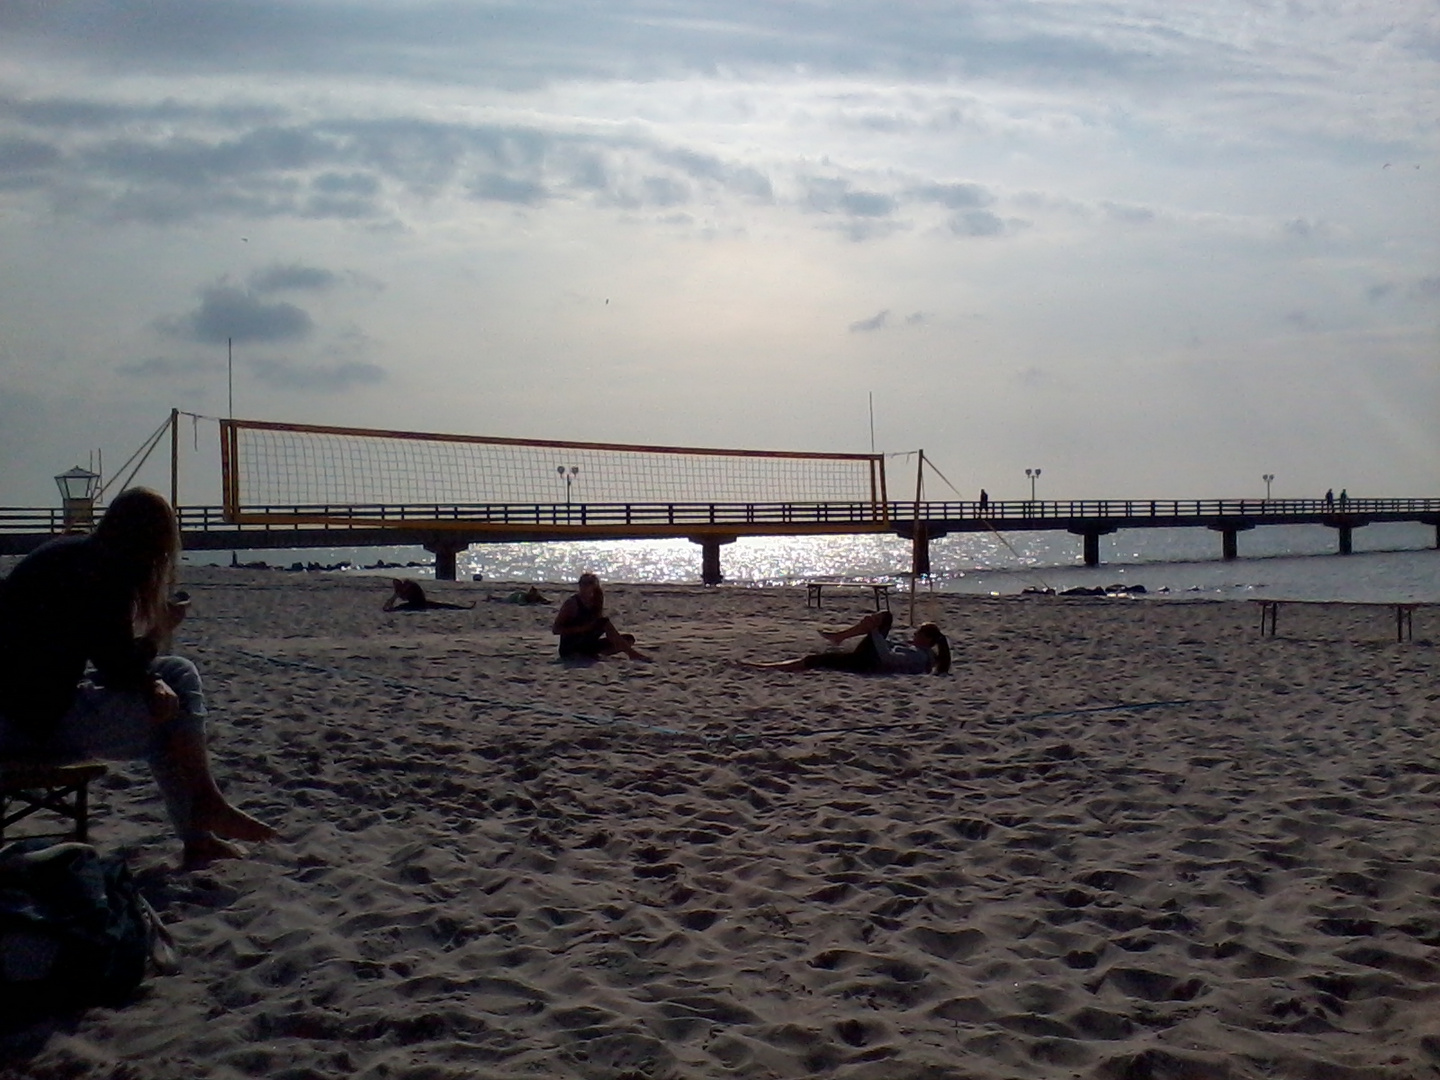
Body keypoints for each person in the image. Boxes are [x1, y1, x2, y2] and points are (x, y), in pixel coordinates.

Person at [0, 488, 277, 869]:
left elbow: (105, 652)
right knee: (171, 719)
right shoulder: (103, 570)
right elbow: (117, 666)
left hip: (23, 707)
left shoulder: (70, 555)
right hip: (28, 725)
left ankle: (204, 817)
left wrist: (149, 673)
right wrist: (157, 634)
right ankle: (202, 822)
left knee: (176, 676)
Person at [741, 610, 951, 674]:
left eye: (918, 634)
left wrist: (875, 634)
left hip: (870, 663)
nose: (913, 636)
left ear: (927, 640)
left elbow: (889, 659)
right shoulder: (923, 654)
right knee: (884, 617)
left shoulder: (919, 656)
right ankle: (840, 636)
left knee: (817, 660)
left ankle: (765, 667)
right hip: (867, 659)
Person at [551, 573, 649, 660]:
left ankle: (592, 655)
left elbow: (596, 624)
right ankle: (632, 654)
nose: (585, 586)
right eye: (583, 583)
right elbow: (556, 629)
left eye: (589, 583)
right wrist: (582, 629)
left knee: (628, 639)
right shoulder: (572, 604)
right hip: (571, 646)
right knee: (604, 622)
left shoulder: (596, 601)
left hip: (587, 642)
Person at [383, 578, 475, 611]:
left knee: (401, 608)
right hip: (418, 602)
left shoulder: (408, 586)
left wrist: (395, 596)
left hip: (418, 603)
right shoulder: (406, 586)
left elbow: (403, 597)